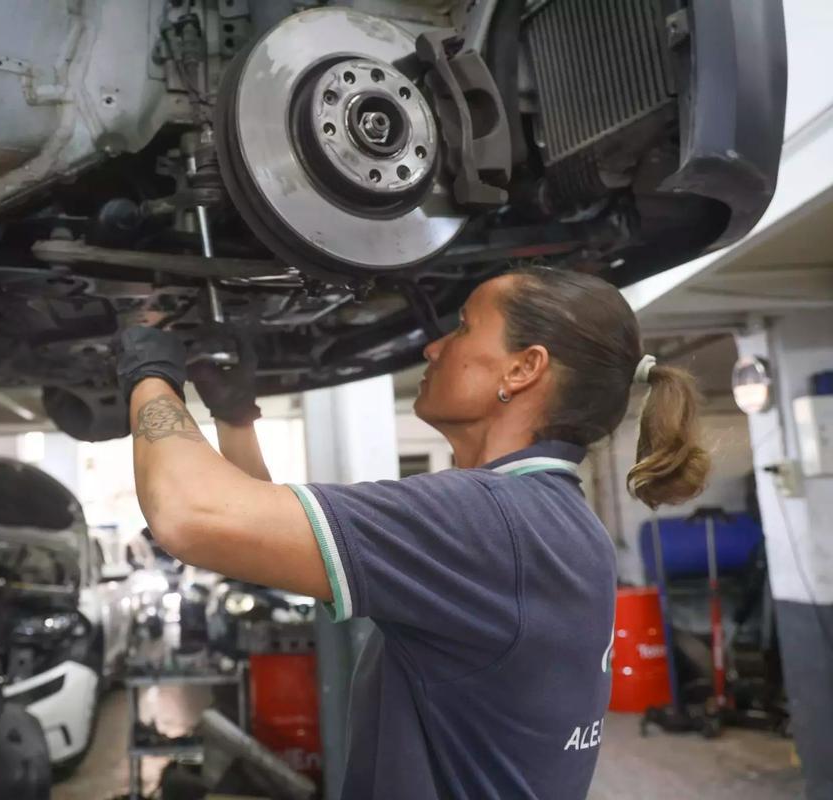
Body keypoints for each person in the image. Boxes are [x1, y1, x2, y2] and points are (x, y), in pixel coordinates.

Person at [114, 266, 710, 799]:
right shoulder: (549, 521)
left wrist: (149, 369)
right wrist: (236, 418)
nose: (432, 347)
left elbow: (188, 515)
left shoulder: (486, 521)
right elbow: (248, 535)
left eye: (461, 327)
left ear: (524, 368)